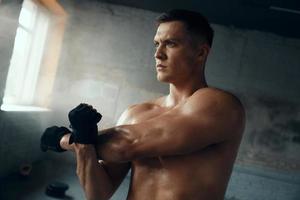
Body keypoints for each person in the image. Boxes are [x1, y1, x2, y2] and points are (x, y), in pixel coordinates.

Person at [41, 9, 245, 200]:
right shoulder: (135, 114)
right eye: (157, 44)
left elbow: (125, 145)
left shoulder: (220, 105)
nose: (158, 54)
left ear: (200, 53)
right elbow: (98, 193)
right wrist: (84, 146)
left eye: (171, 43)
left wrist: (63, 139)